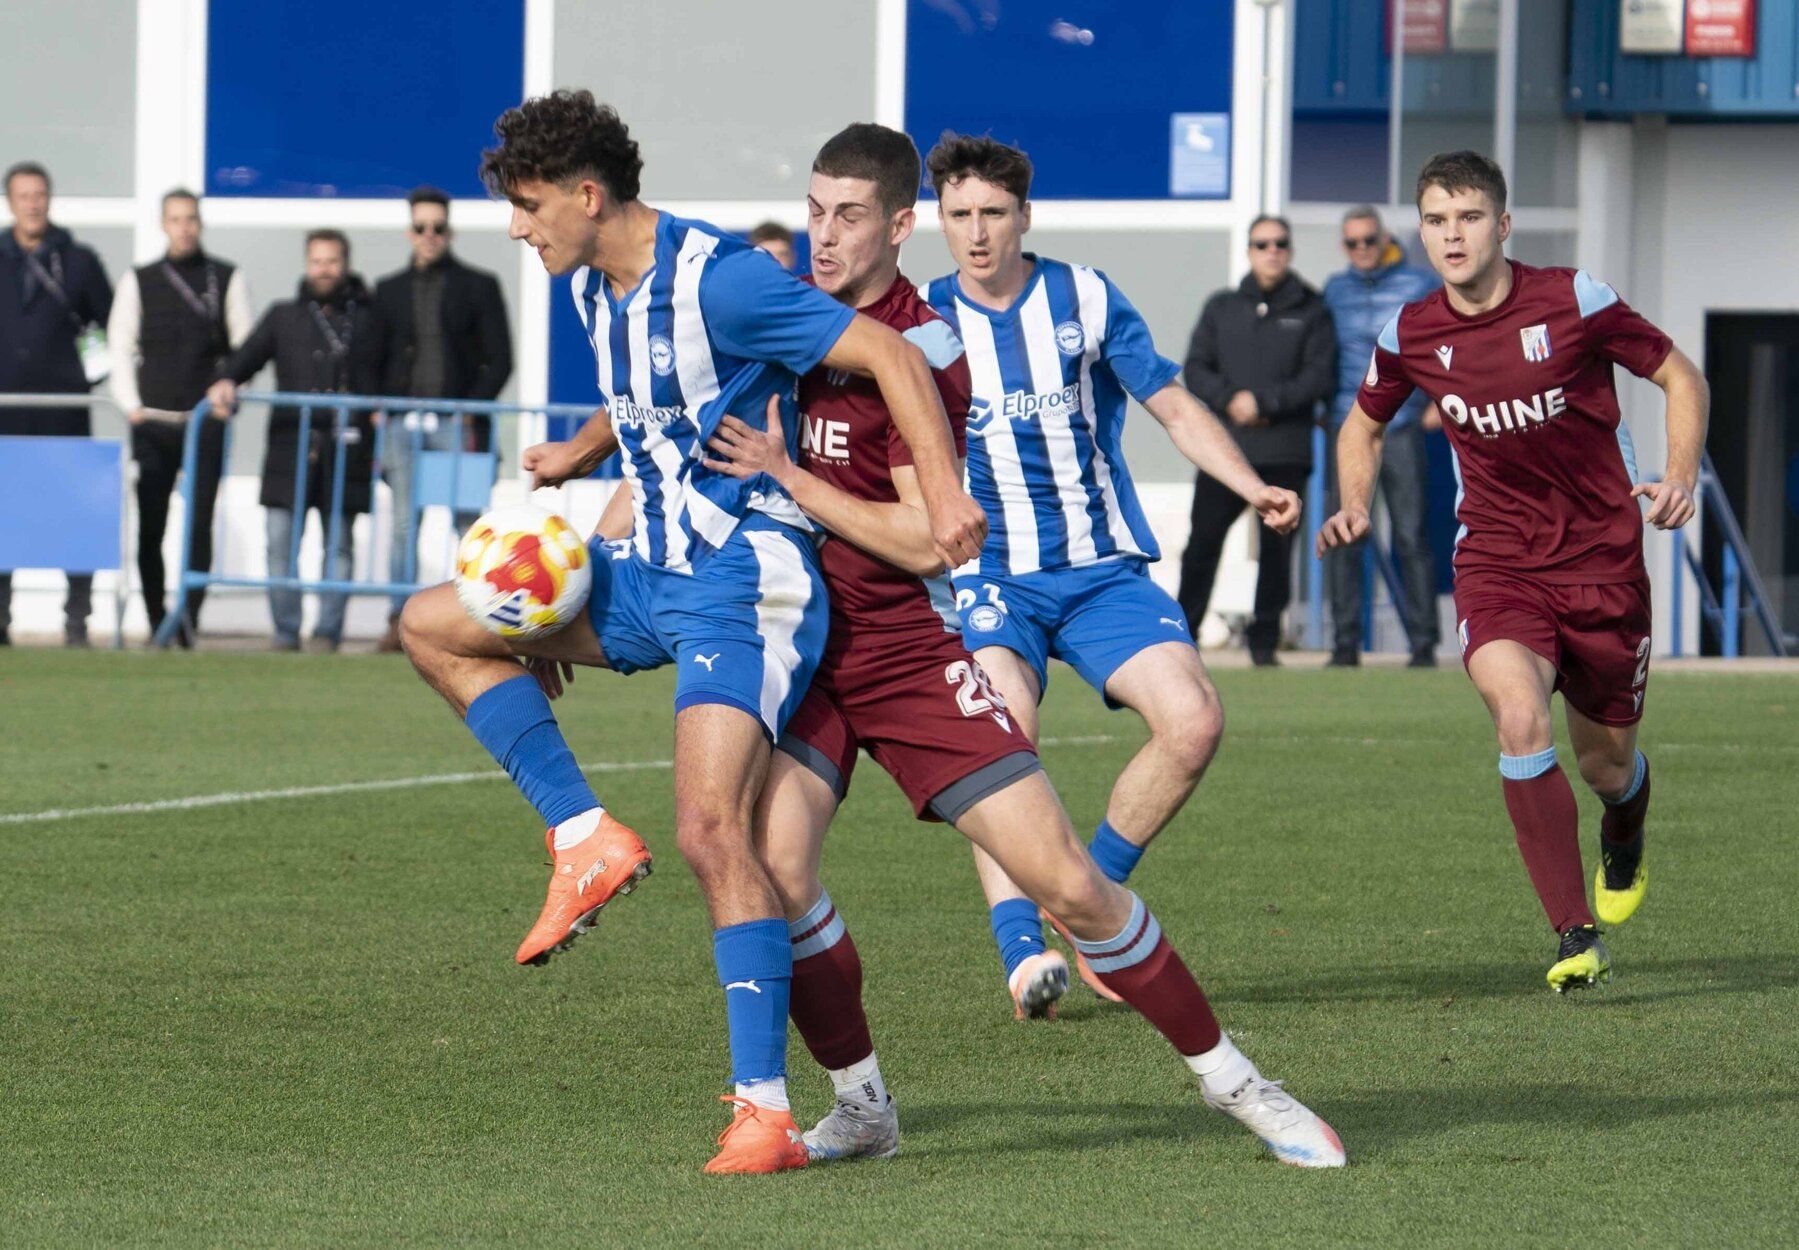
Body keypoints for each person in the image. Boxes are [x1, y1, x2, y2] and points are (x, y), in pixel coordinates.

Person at [696, 121, 1343, 1172]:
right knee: (772, 860)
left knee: (1073, 887)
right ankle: (860, 1102)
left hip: (906, 648)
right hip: (804, 646)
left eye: (847, 216)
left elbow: (919, 539)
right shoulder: (788, 315)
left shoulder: (928, 354)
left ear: (900, 228)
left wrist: (788, 473)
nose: (821, 235)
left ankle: (1237, 1081)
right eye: (812, 211)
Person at [392, 90, 986, 1173]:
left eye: (527, 208)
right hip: (645, 572)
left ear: (585, 195)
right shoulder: (592, 287)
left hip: (744, 576)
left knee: (715, 831)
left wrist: (942, 499)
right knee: (434, 624)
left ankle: (763, 1109)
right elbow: (652, 403)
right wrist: (580, 454)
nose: (518, 229)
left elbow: (892, 360)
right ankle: (582, 838)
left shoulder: (723, 277)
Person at [920, 134, 1302, 1016]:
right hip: (988, 575)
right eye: (959, 216)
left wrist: (1248, 486)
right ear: (939, 220)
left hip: (1097, 570)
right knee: (999, 734)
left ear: (1025, 216)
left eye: (992, 214)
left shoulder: (1084, 297)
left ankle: (1093, 906)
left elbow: (1168, 400)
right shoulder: (917, 320)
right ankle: (1021, 951)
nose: (976, 234)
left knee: (1194, 721)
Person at [1319, 151, 1707, 991]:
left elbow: (1680, 374)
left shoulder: (1573, 299)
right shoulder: (1412, 332)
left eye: (1465, 217)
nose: (1449, 235)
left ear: (1500, 225)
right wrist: (1354, 504)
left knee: (1606, 766)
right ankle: (1573, 937)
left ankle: (1625, 823)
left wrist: (1677, 475)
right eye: (1433, 219)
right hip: (1496, 562)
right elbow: (1360, 425)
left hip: (1602, 567)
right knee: (1519, 718)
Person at [208, 229, 384, 652]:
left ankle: (327, 633)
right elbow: (244, 358)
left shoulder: (370, 317)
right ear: (306, 264)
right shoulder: (283, 315)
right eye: (317, 261)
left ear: (346, 263)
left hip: (348, 450)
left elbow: (388, 372)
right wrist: (225, 381)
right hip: (290, 450)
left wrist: (380, 409)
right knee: (279, 544)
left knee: (339, 546)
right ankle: (285, 633)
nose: (324, 269)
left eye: (332, 261)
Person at [1177, 215, 1336, 665]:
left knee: (1276, 553)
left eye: (1280, 243)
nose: (1272, 251)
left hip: (1285, 452)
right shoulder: (1221, 307)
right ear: (1249, 251)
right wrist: (1233, 401)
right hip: (1225, 453)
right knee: (1202, 546)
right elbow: (1196, 369)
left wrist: (1263, 402)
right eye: (1262, 244)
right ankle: (1182, 641)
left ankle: (1264, 646)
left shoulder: (1313, 310)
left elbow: (1318, 378)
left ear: (1289, 250)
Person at [109, 188, 253, 648]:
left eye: (191, 218)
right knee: (152, 526)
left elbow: (244, 350)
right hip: (150, 423)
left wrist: (230, 398)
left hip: (204, 423)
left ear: (200, 223)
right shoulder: (139, 279)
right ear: (163, 223)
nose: (184, 227)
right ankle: (156, 623)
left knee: (199, 524)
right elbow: (119, 346)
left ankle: (187, 623)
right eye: (175, 219)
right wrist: (130, 406)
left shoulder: (228, 277)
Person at [373, 186, 514, 652]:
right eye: (420, 227)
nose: (429, 236)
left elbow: (500, 359)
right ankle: (399, 621)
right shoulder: (387, 289)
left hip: (459, 423)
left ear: (449, 231)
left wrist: (468, 408)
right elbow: (371, 357)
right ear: (409, 232)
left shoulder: (480, 285)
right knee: (401, 523)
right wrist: (378, 407)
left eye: (437, 227)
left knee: (468, 524)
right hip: (400, 424)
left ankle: (472, 619)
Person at [1321, 206, 1441, 667]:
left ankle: (1423, 643)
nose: (1362, 250)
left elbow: (1441, 345)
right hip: (1347, 425)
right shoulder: (1333, 290)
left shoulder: (1418, 284)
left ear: (1385, 238)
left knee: (1410, 535)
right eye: (1352, 243)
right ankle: (1345, 642)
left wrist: (1437, 403)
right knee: (1345, 533)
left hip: (1403, 424)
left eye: (1369, 240)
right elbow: (1320, 353)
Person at [0, 161, 113, 647]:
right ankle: (0, 619)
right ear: (10, 201)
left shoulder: (81, 261)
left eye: (40, 194)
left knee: (75, 516)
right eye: (24, 195)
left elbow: (108, 324)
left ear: (50, 199)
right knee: (4, 517)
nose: (33, 203)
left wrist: (92, 375)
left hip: (64, 410)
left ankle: (77, 621)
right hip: (5, 412)